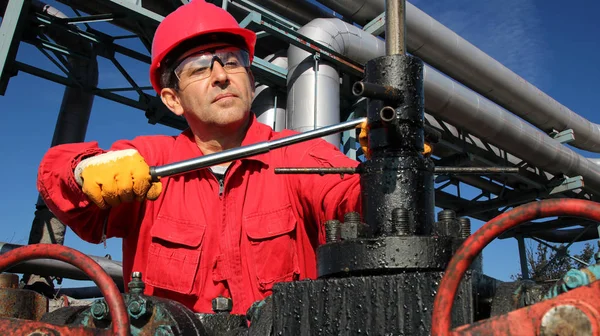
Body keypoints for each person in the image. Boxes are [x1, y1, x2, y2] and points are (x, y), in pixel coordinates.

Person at [37, 0, 363, 315]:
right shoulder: (151, 162)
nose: (221, 76)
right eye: (200, 67)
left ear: (250, 82)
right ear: (172, 99)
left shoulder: (297, 155)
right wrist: (83, 170)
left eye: (232, 62)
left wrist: (391, 163)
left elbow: (356, 200)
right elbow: (56, 175)